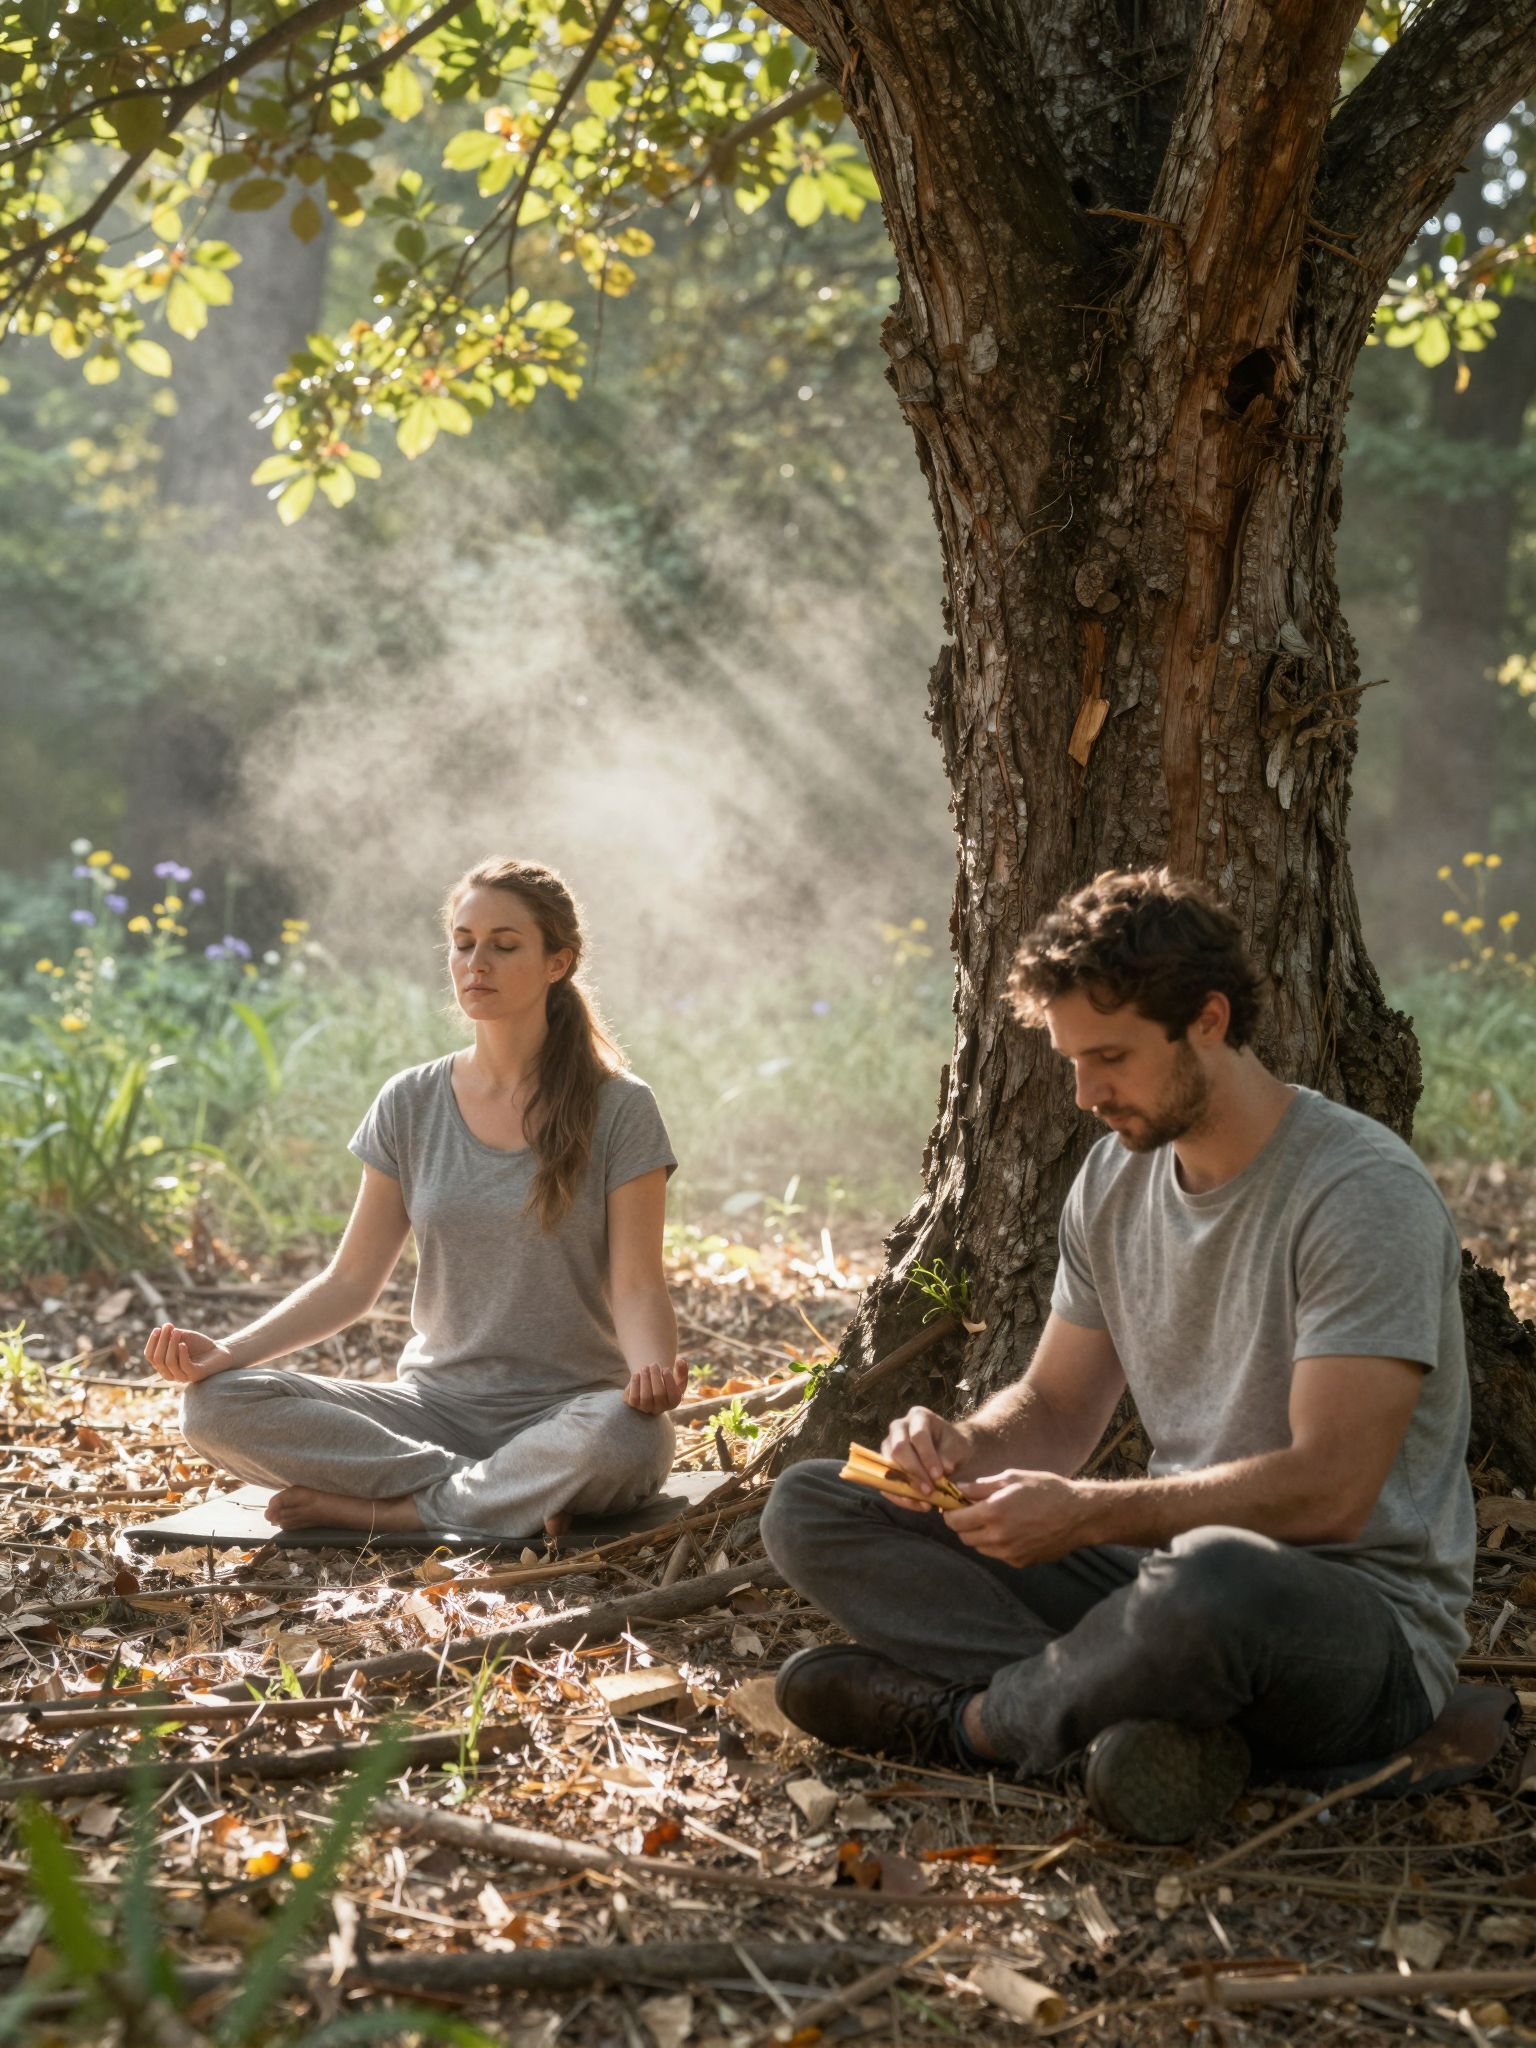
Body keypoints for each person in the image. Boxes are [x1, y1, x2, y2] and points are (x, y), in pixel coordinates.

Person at [762, 869, 1475, 1842]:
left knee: (1214, 1583)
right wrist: (959, 1447)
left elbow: (1331, 1489)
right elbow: (1055, 1407)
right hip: (1157, 1584)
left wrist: (1092, 1511)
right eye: (1069, 1060)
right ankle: (1131, 1713)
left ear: (1209, 1019)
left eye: (1111, 1056)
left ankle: (971, 1723)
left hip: (1345, 1622)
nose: (1086, 1093)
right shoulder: (1112, 1178)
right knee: (817, 1501)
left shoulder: (1359, 1193)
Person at [146, 857, 688, 1541]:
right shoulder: (410, 1101)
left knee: (624, 1437)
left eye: (504, 944)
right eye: (463, 943)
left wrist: (649, 1374)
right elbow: (348, 1282)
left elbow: (638, 1284)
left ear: (558, 962)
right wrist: (229, 1352)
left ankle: (397, 1510)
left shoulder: (621, 1107)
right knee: (214, 1408)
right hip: (431, 1412)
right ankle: (501, 1493)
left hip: (568, 1414)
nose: (476, 962)